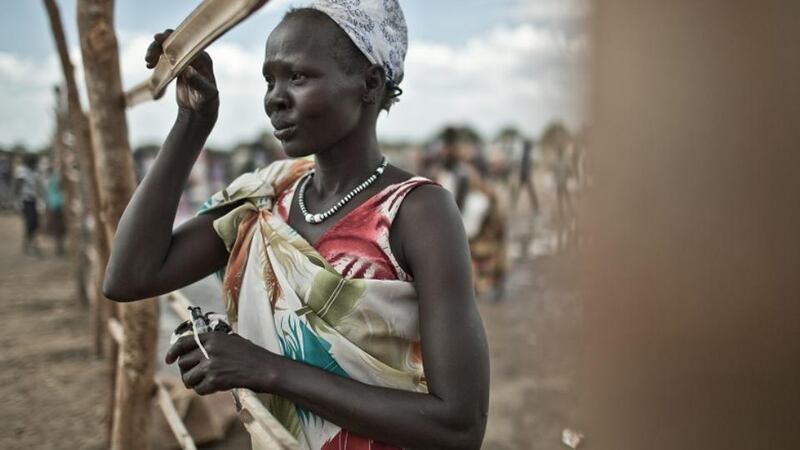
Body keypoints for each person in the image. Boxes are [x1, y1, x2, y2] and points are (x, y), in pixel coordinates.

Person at [103, 2, 489, 449]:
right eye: (270, 80)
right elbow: (129, 275)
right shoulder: (265, 199)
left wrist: (265, 368)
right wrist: (193, 122)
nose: (275, 97)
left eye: (299, 77)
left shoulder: (418, 212)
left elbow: (459, 426)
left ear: (369, 83)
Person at [13, 154, 43, 256]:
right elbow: (17, 187)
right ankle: (28, 245)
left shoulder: (35, 171)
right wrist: (17, 203)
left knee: (35, 224)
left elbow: (38, 187)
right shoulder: (22, 171)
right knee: (30, 223)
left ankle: (32, 244)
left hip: (33, 200)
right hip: (25, 201)